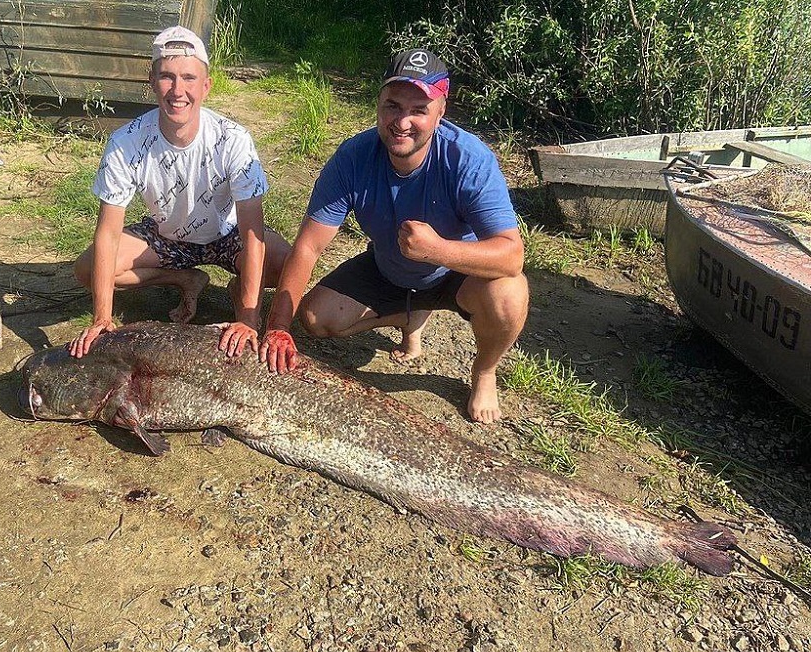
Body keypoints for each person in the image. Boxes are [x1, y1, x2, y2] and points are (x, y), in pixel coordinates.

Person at [259, 49, 528, 423]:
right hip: (389, 268)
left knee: (510, 293)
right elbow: (307, 247)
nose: (402, 121)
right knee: (317, 319)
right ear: (379, 104)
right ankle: (410, 314)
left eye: (418, 109)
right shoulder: (354, 156)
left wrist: (437, 250)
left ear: (441, 111)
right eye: (392, 106)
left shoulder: (469, 160)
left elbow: (512, 256)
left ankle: (484, 371)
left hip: (458, 274)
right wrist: (277, 329)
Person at [69, 26, 289, 359]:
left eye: (188, 78)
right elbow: (107, 233)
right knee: (88, 270)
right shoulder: (125, 143)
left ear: (206, 85)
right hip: (166, 237)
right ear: (151, 81)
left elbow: (252, 233)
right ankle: (184, 279)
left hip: (227, 235)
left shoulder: (234, 139)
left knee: (289, 265)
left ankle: (239, 291)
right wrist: (103, 316)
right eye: (166, 77)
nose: (177, 90)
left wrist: (248, 319)